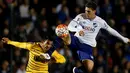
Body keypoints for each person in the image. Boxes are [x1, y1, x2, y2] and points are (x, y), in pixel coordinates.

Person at [67, 1, 130, 73]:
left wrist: (123, 38)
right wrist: (78, 29)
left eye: (88, 11)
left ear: (94, 11)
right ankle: (51, 51)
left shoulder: (100, 21)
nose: (86, 13)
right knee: (63, 33)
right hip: (77, 40)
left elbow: (111, 30)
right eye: (85, 11)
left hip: (87, 46)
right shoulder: (81, 16)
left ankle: (77, 71)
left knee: (89, 68)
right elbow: (69, 27)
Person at [1, 37, 66, 73]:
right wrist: (9, 42)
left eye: (50, 45)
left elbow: (63, 59)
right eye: (47, 43)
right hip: (30, 71)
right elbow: (21, 44)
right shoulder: (33, 45)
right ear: (43, 41)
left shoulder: (51, 52)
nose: (48, 46)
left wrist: (52, 60)